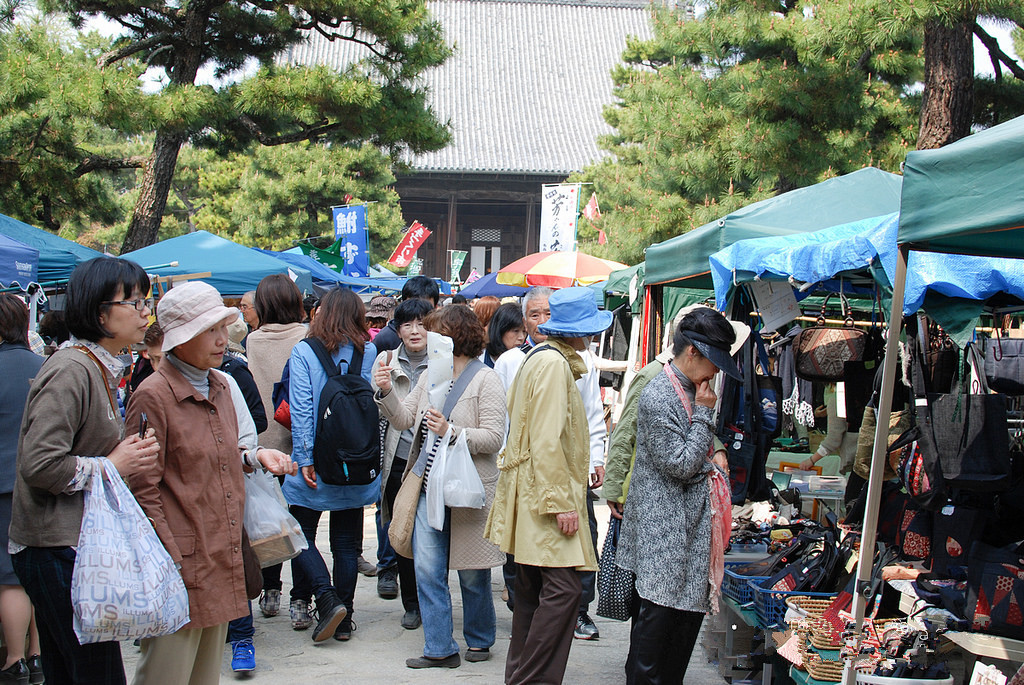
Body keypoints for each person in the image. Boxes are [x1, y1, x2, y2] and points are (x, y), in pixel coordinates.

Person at [126, 281, 294, 685]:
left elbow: (217, 454)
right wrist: (170, 558)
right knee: (167, 673)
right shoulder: (153, 395)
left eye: (224, 327)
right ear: (180, 340)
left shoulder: (220, 384)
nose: (223, 340)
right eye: (210, 330)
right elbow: (142, 489)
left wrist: (252, 457)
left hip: (221, 553)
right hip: (179, 562)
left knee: (204, 675)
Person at [11, 257, 161, 685]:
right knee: (97, 674)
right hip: (54, 547)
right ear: (100, 313)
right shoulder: (71, 370)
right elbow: (40, 463)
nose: (144, 312)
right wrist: (113, 464)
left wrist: (124, 458)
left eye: (145, 301)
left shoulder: (97, 367)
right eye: (133, 302)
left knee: (70, 671)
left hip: (70, 545)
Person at [485, 287, 609, 685]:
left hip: (531, 492)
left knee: (533, 591)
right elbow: (545, 440)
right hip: (545, 495)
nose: (590, 338)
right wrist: (562, 504)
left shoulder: (539, 358)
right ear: (578, 332)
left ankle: (518, 675)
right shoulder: (553, 364)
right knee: (563, 592)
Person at [375, 304, 506, 670]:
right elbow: (403, 419)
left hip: (469, 490)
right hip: (426, 485)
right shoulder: (430, 374)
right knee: (428, 571)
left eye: (433, 331)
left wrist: (452, 432)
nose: (426, 337)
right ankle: (438, 646)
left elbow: (495, 437)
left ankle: (479, 639)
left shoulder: (486, 379)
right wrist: (386, 392)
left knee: (472, 572)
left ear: (452, 336)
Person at [617, 308, 740, 684]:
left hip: (684, 542)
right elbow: (681, 464)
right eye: (713, 363)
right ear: (692, 354)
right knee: (651, 655)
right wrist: (706, 416)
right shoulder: (658, 395)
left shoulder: (687, 388)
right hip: (664, 544)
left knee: (676, 648)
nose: (716, 373)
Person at [283, 287, 378, 643]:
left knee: (299, 533)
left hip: (318, 463)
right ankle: (346, 615)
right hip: (356, 462)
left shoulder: (304, 351)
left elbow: (303, 408)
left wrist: (304, 458)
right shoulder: (368, 351)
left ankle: (325, 598)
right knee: (344, 541)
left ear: (322, 314)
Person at [244, 274, 308, 623]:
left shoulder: (252, 340)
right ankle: (301, 599)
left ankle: (271, 591)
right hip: (298, 441)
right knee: (299, 523)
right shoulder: (307, 336)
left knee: (268, 520)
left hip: (262, 442)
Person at [369, 298, 433, 627]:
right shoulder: (386, 360)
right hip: (398, 459)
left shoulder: (444, 360)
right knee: (403, 530)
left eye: (421, 323)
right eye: (407, 324)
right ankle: (412, 603)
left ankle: (432, 599)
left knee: (432, 534)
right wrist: (381, 388)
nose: (414, 330)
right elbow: (385, 413)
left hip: (433, 460)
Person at [0, 295, 44, 685]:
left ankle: (14, 660)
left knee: (8, 575)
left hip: (3, 483)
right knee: (34, 569)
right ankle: (37, 653)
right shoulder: (44, 366)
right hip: (41, 482)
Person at [373, 276, 440, 353]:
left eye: (425, 306)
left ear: (435, 307)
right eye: (412, 305)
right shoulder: (386, 337)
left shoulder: (444, 335)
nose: (418, 310)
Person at [482, 303, 525, 368]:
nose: (522, 337)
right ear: (500, 330)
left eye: (524, 331)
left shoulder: (526, 359)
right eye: (516, 331)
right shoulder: (480, 358)